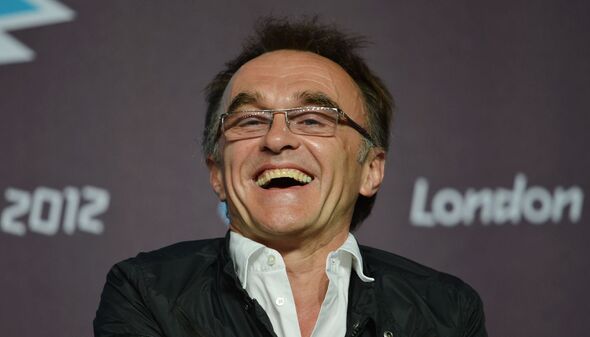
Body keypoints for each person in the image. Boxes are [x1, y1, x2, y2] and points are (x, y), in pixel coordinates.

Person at [94, 17, 487, 337]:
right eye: (249, 121)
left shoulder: (445, 309)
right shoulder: (146, 291)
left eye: (313, 119)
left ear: (370, 169)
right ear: (216, 171)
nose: (277, 138)